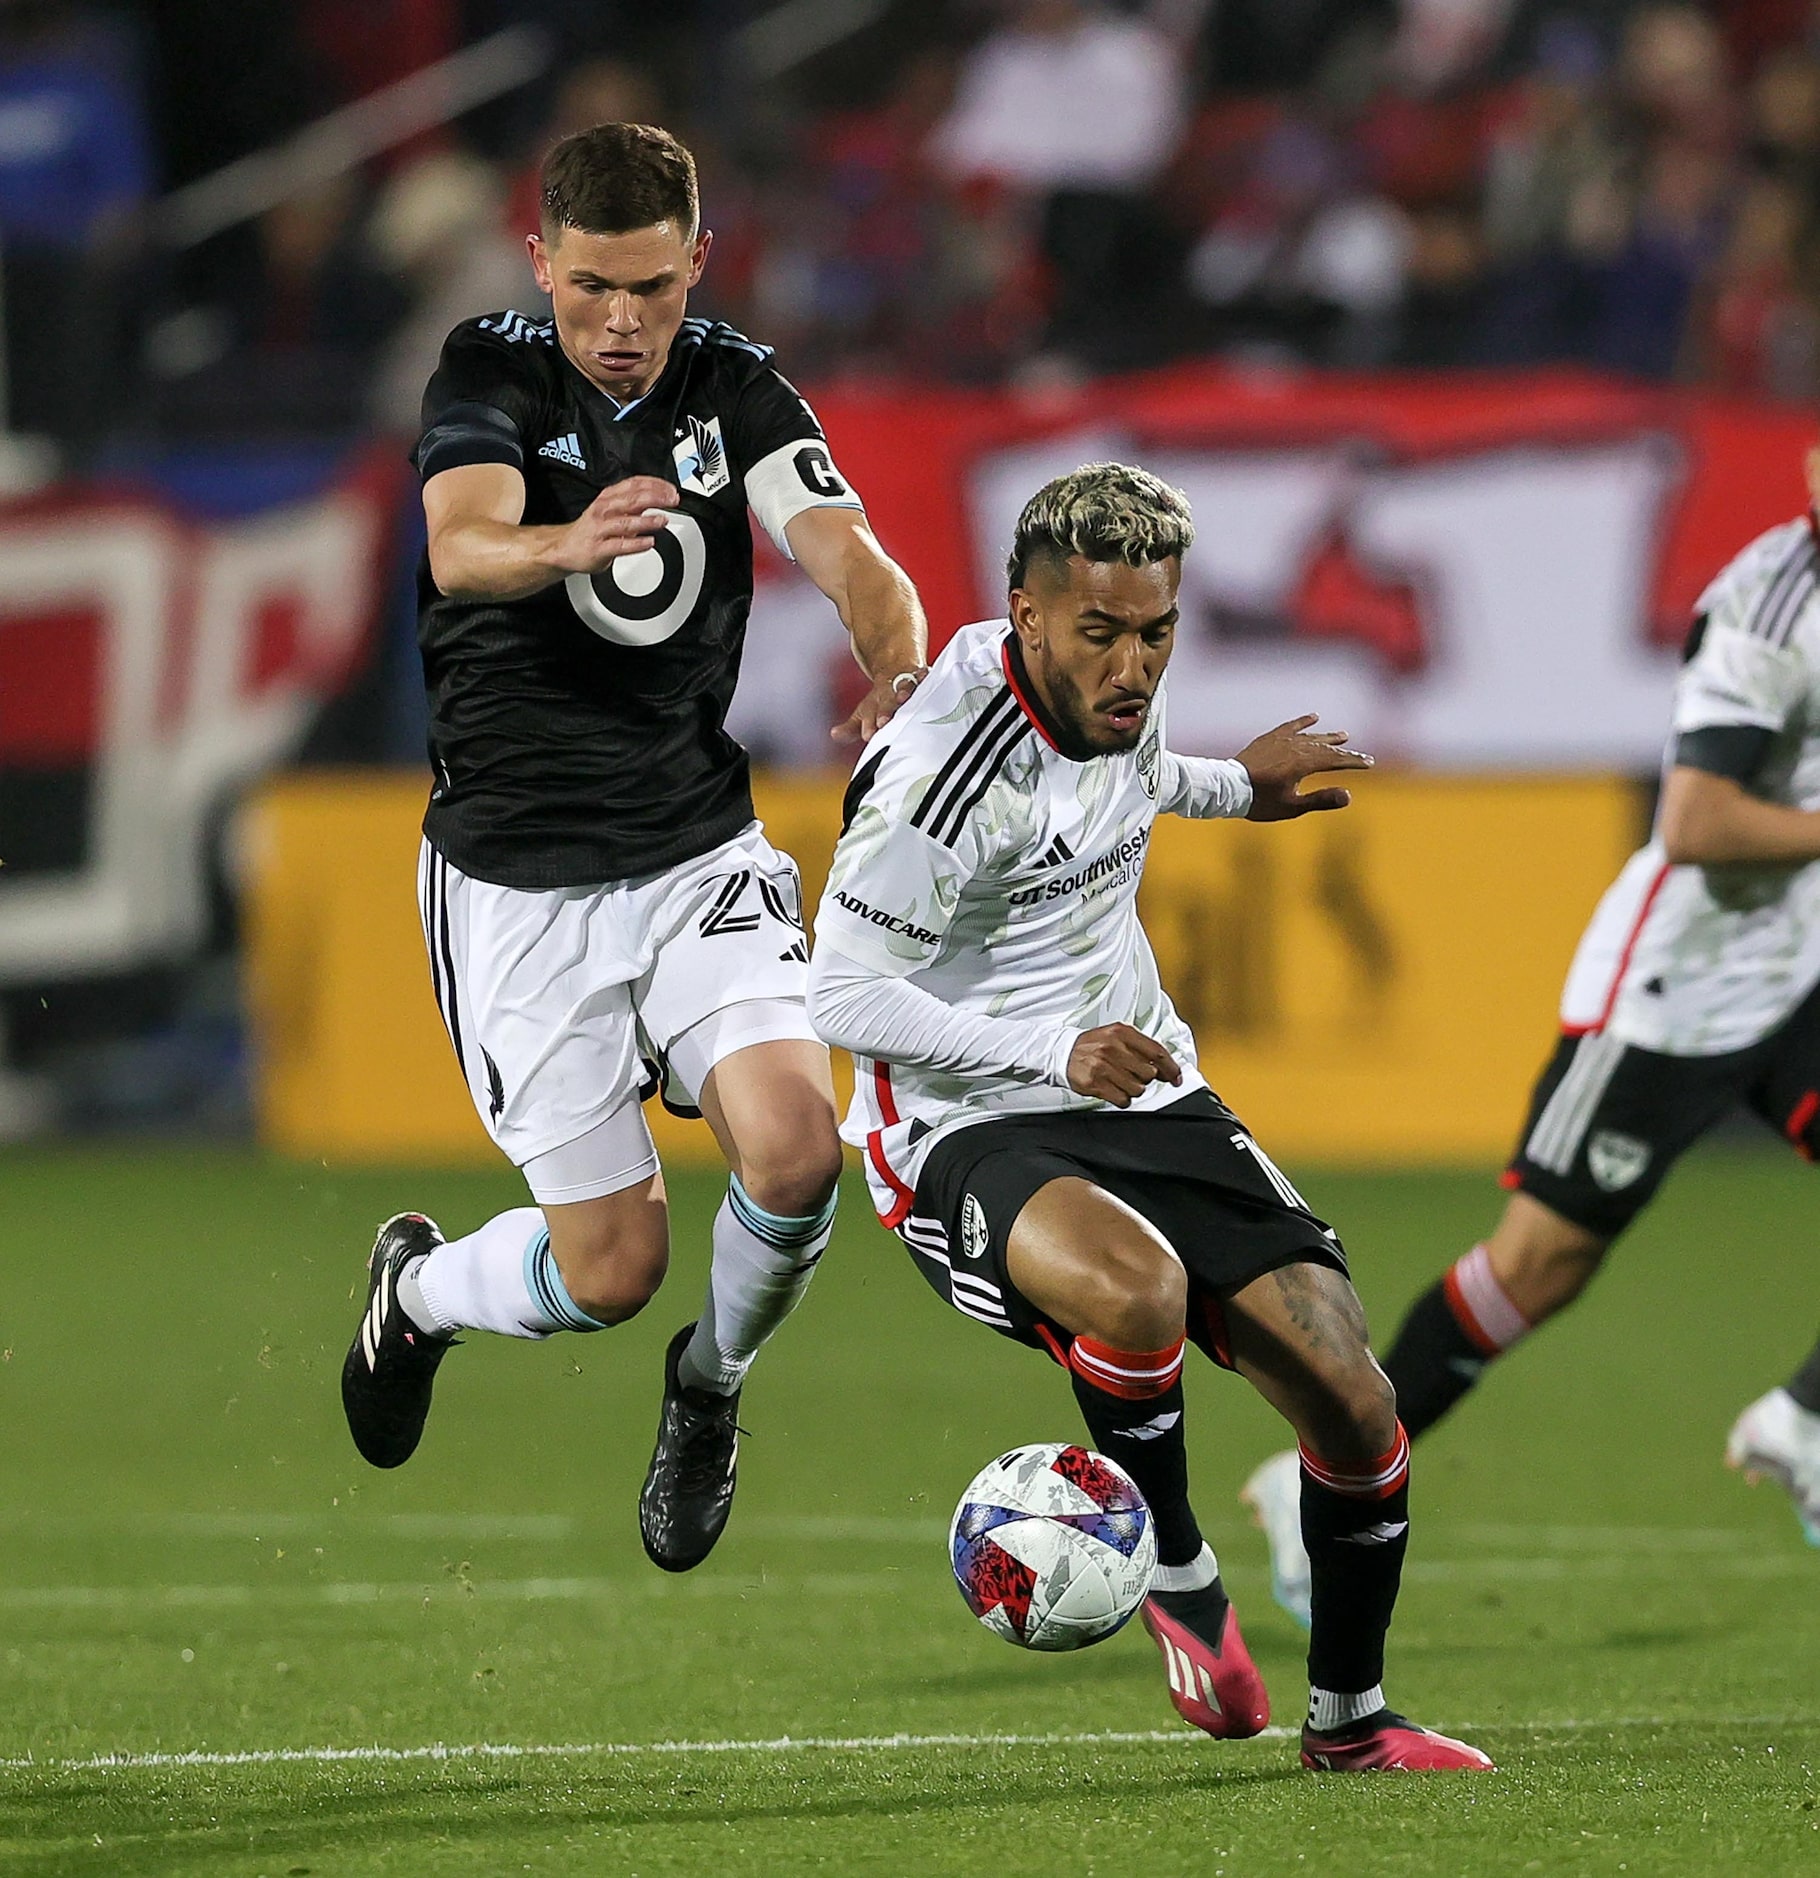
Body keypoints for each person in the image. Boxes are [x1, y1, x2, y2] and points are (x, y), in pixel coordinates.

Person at [806, 462, 1492, 1773]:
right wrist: (1051, 1046)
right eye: (1100, 633)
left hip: (1143, 1077)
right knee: (1136, 1292)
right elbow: (838, 991)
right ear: (1026, 614)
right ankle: (1174, 1561)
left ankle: (1350, 1721)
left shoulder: (1121, 692)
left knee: (1353, 1392)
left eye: (1156, 630)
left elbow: (1130, 780)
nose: (1132, 663)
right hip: (964, 1113)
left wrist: (1242, 789)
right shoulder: (939, 777)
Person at [340, 122, 928, 1575]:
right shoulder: (488, 370)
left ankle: (711, 1391)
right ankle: (419, 1296)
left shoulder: (735, 388)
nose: (619, 323)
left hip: (692, 850)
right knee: (611, 1267)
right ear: (541, 261)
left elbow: (852, 557)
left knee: (797, 1152)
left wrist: (897, 670)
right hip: (516, 884)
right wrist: (567, 540)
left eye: (651, 289)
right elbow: (461, 542)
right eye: (592, 285)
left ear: (698, 266)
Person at [1245, 446, 1820, 1628]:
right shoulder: (1773, 607)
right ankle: (1317, 1467)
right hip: (1678, 985)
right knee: (1538, 1265)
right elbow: (1699, 818)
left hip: (1799, 970)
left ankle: (1801, 1421)